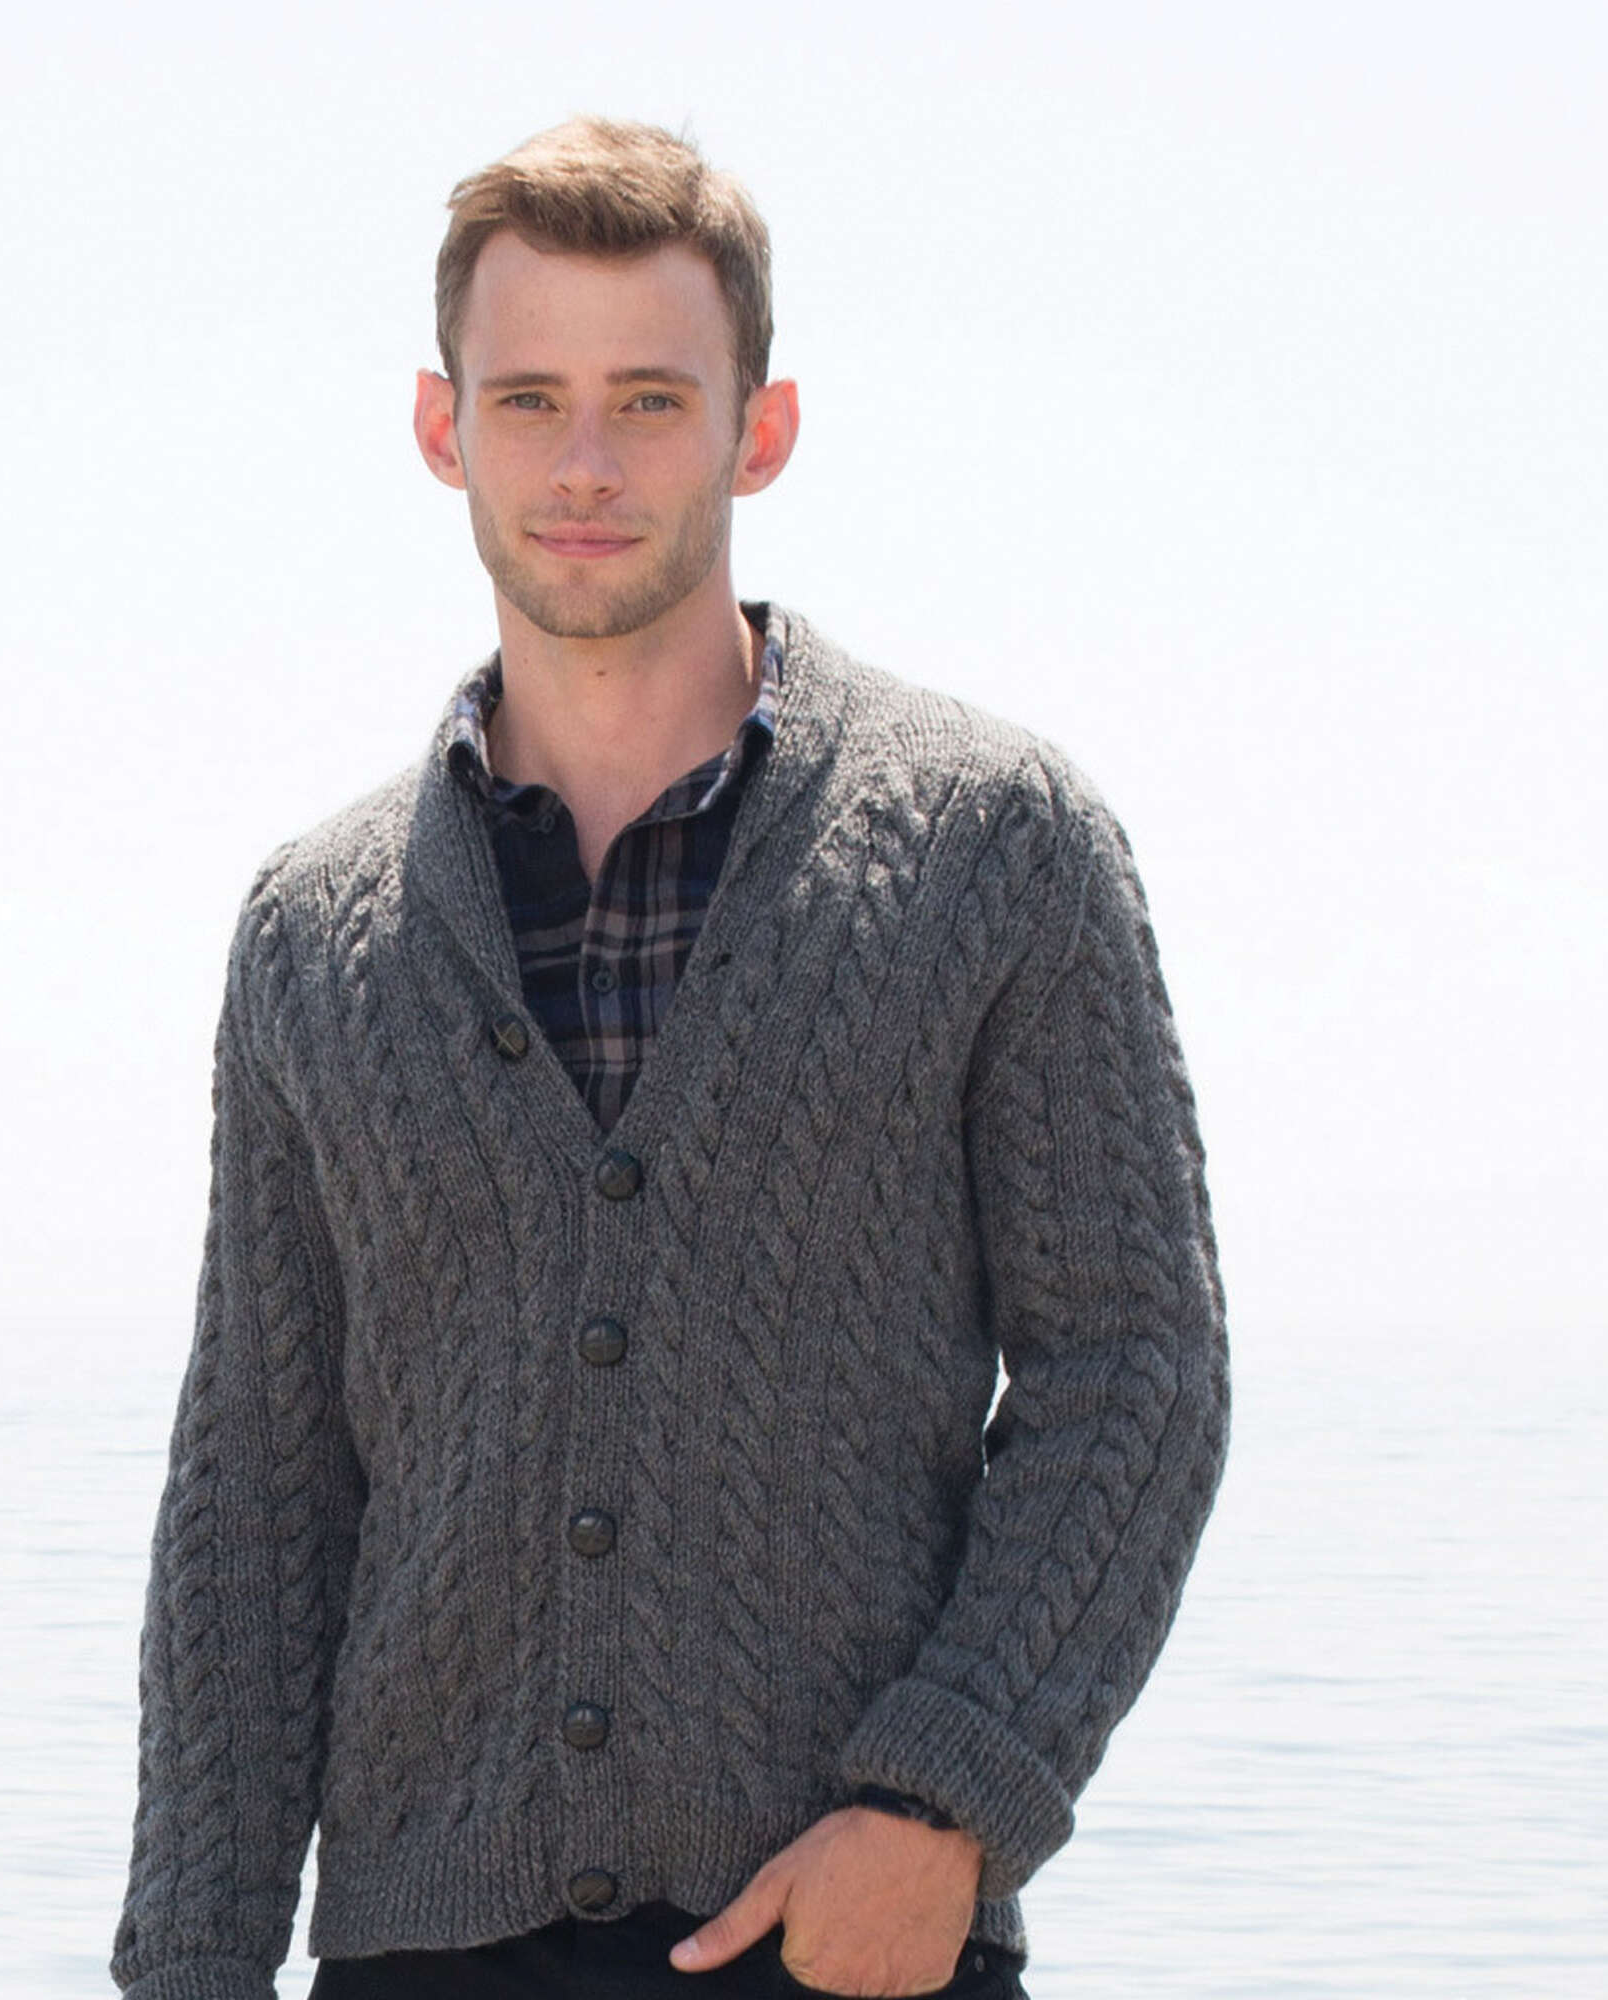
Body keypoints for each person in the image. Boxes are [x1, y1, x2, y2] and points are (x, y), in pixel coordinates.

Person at [112, 117, 1228, 2000]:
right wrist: (187, 1970)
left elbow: (1136, 1368)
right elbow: (257, 1502)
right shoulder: (313, 930)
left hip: (855, 1943)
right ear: (442, 428)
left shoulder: (994, 845)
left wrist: (947, 1806)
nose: (586, 464)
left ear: (757, 432)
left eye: (649, 399)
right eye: (529, 399)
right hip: (422, 1948)